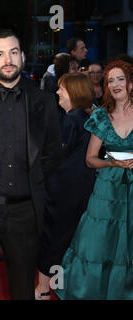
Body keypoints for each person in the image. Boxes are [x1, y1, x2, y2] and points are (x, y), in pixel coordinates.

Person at [0, 29, 62, 300]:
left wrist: (35, 183)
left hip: (24, 212)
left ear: (23, 56)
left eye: (13, 52)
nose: (7, 59)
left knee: (22, 289)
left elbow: (53, 153)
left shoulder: (44, 101)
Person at [55, 60, 133, 300]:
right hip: (106, 189)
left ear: (130, 83)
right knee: (98, 244)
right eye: (110, 80)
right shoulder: (101, 115)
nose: (115, 84)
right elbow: (90, 159)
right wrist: (111, 163)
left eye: (120, 79)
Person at [35, 72, 96, 300]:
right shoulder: (86, 117)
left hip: (62, 192)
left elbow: (53, 155)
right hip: (78, 189)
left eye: (62, 88)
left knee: (52, 240)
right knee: (65, 242)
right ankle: (56, 288)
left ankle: (42, 290)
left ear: (74, 92)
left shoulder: (72, 119)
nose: (58, 92)